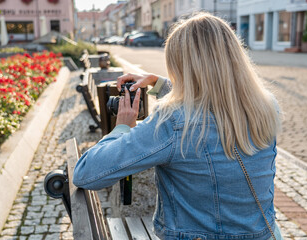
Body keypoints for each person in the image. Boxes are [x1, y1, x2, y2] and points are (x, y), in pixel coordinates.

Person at [73, 12, 283, 240]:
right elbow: (211, 100)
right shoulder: (266, 106)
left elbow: (86, 173)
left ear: (181, 66)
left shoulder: (172, 123)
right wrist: (159, 84)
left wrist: (122, 127)